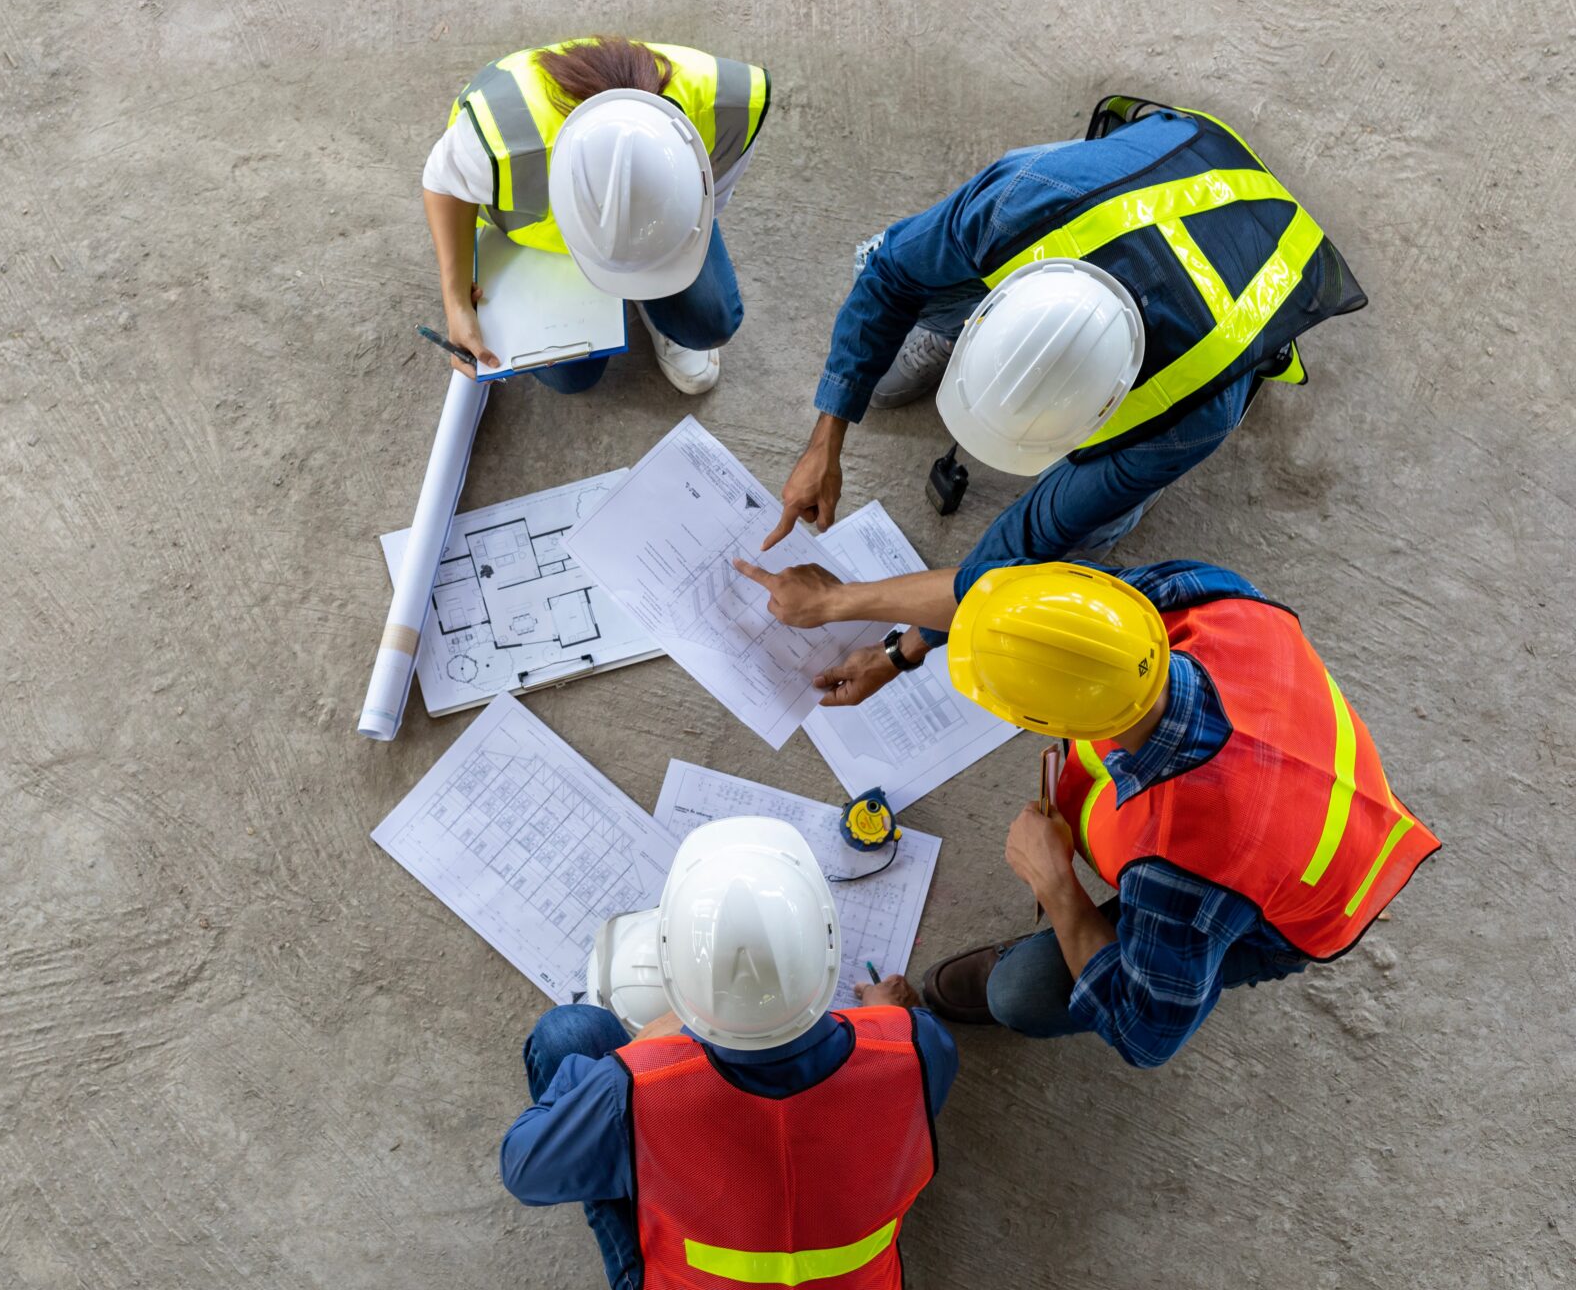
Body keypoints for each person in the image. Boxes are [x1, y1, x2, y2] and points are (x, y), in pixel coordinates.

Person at [758, 95, 1367, 706]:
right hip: (1142, 182)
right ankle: (951, 322)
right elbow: (890, 277)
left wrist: (878, 635)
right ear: (998, 310)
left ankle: (1125, 494)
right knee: (888, 254)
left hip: (1240, 265)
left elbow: (1011, 558)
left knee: (1085, 530)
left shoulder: (1185, 418)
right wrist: (825, 438)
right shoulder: (1023, 200)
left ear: (1103, 408)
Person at [733, 556, 1439, 1068]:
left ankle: (1059, 952)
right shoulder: (1190, 601)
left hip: (1302, 899)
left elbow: (1147, 1033)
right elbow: (1021, 614)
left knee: (1022, 993)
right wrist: (897, 649)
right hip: (1308, 788)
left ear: (1041, 720)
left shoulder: (1185, 866)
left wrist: (1059, 889)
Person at [500, 817, 956, 1289]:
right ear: (827, 951)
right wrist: (884, 1018)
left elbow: (523, 1170)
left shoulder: (634, 1090)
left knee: (569, 1033)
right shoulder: (917, 1045)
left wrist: (638, 1059)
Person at [424, 36, 769, 395]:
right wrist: (456, 302)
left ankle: (655, 300)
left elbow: (713, 202)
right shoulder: (500, 145)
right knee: (570, 376)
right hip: (533, 241)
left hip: (656, 232)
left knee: (709, 323)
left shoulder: (729, 109)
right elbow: (441, 182)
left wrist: (651, 247)